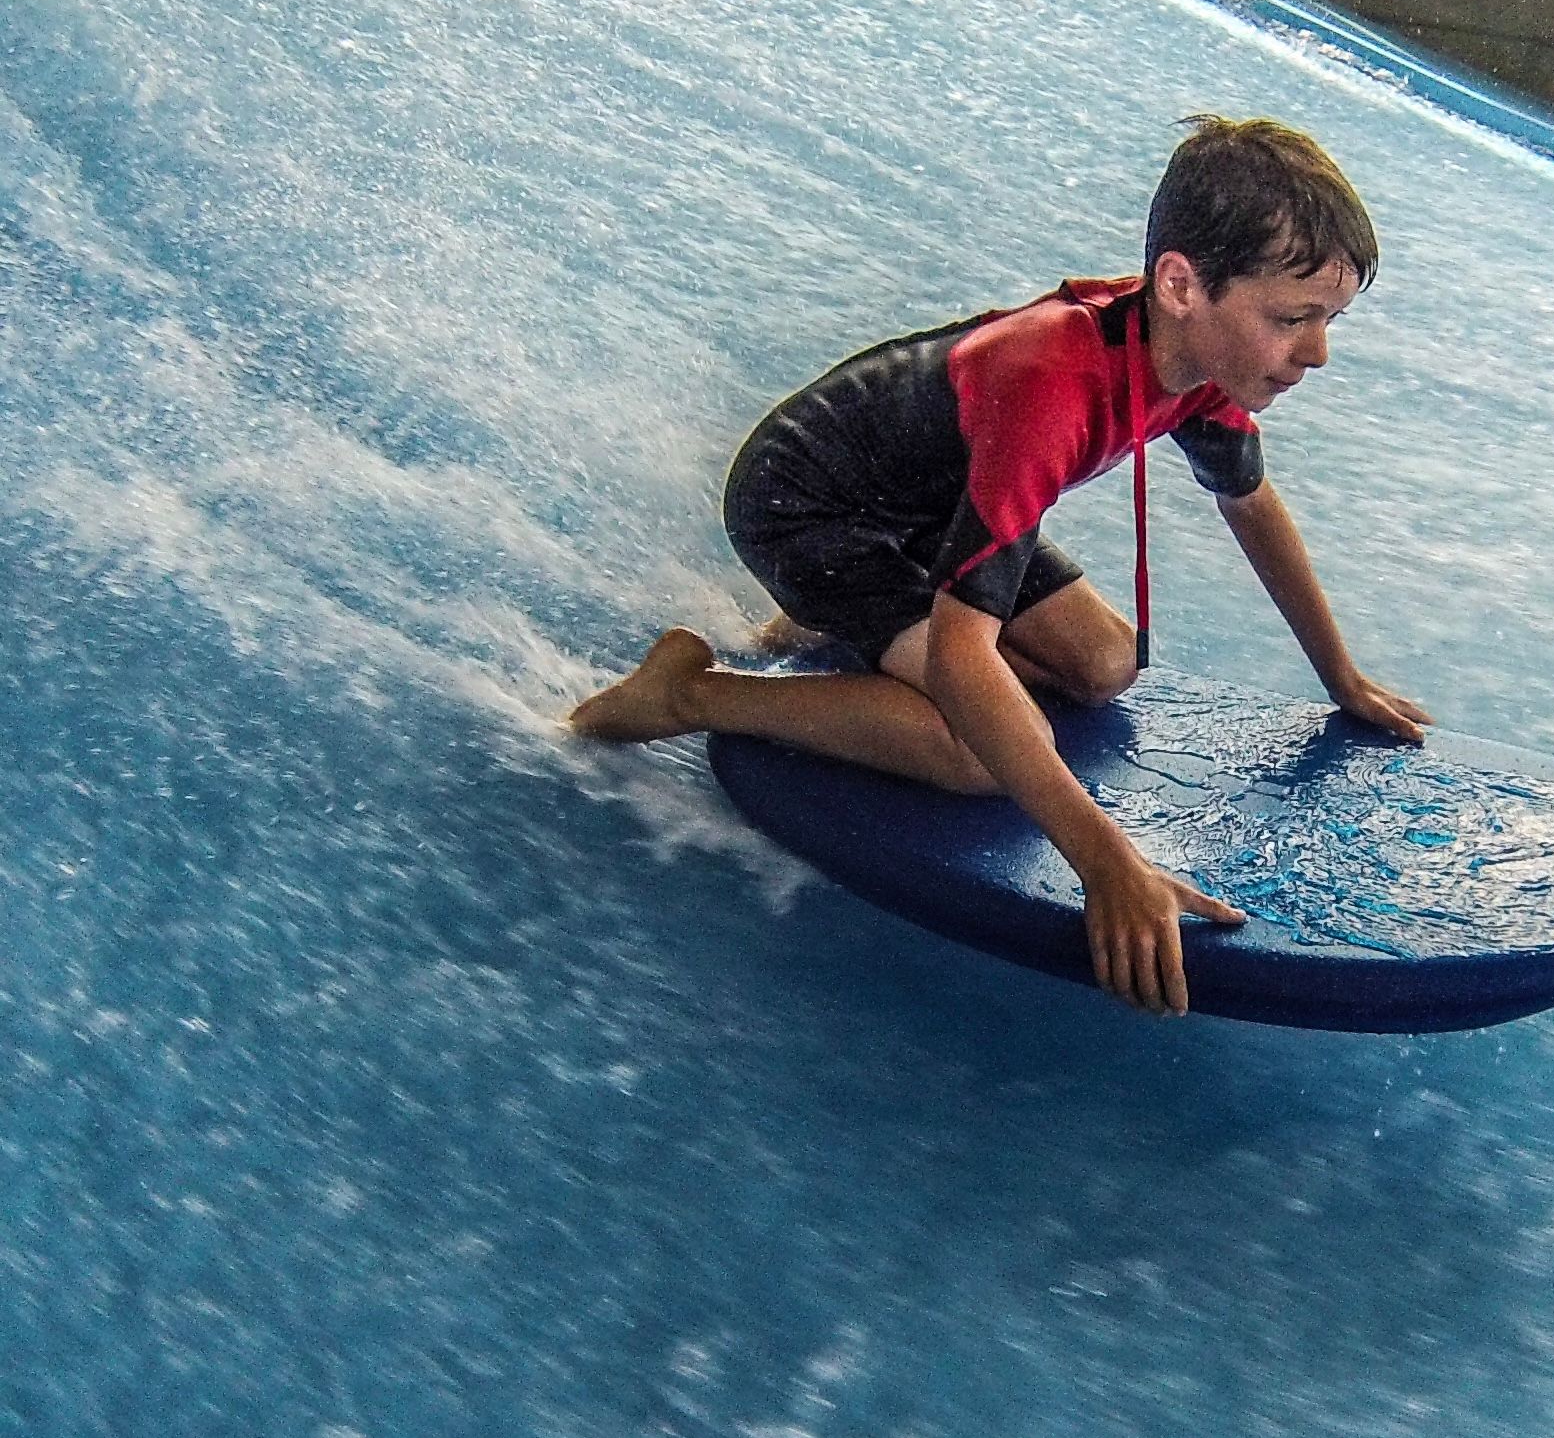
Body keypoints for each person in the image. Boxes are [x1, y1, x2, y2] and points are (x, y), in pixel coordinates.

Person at [569, 115, 1431, 1017]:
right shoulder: (1051, 387)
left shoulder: (1198, 361)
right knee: (974, 752)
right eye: (1293, 319)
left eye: (1329, 320)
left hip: (931, 504)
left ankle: (848, 625)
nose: (1317, 351)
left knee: (1104, 663)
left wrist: (1342, 678)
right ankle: (688, 691)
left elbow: (1249, 502)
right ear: (1180, 284)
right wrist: (1109, 865)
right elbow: (963, 657)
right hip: (813, 506)